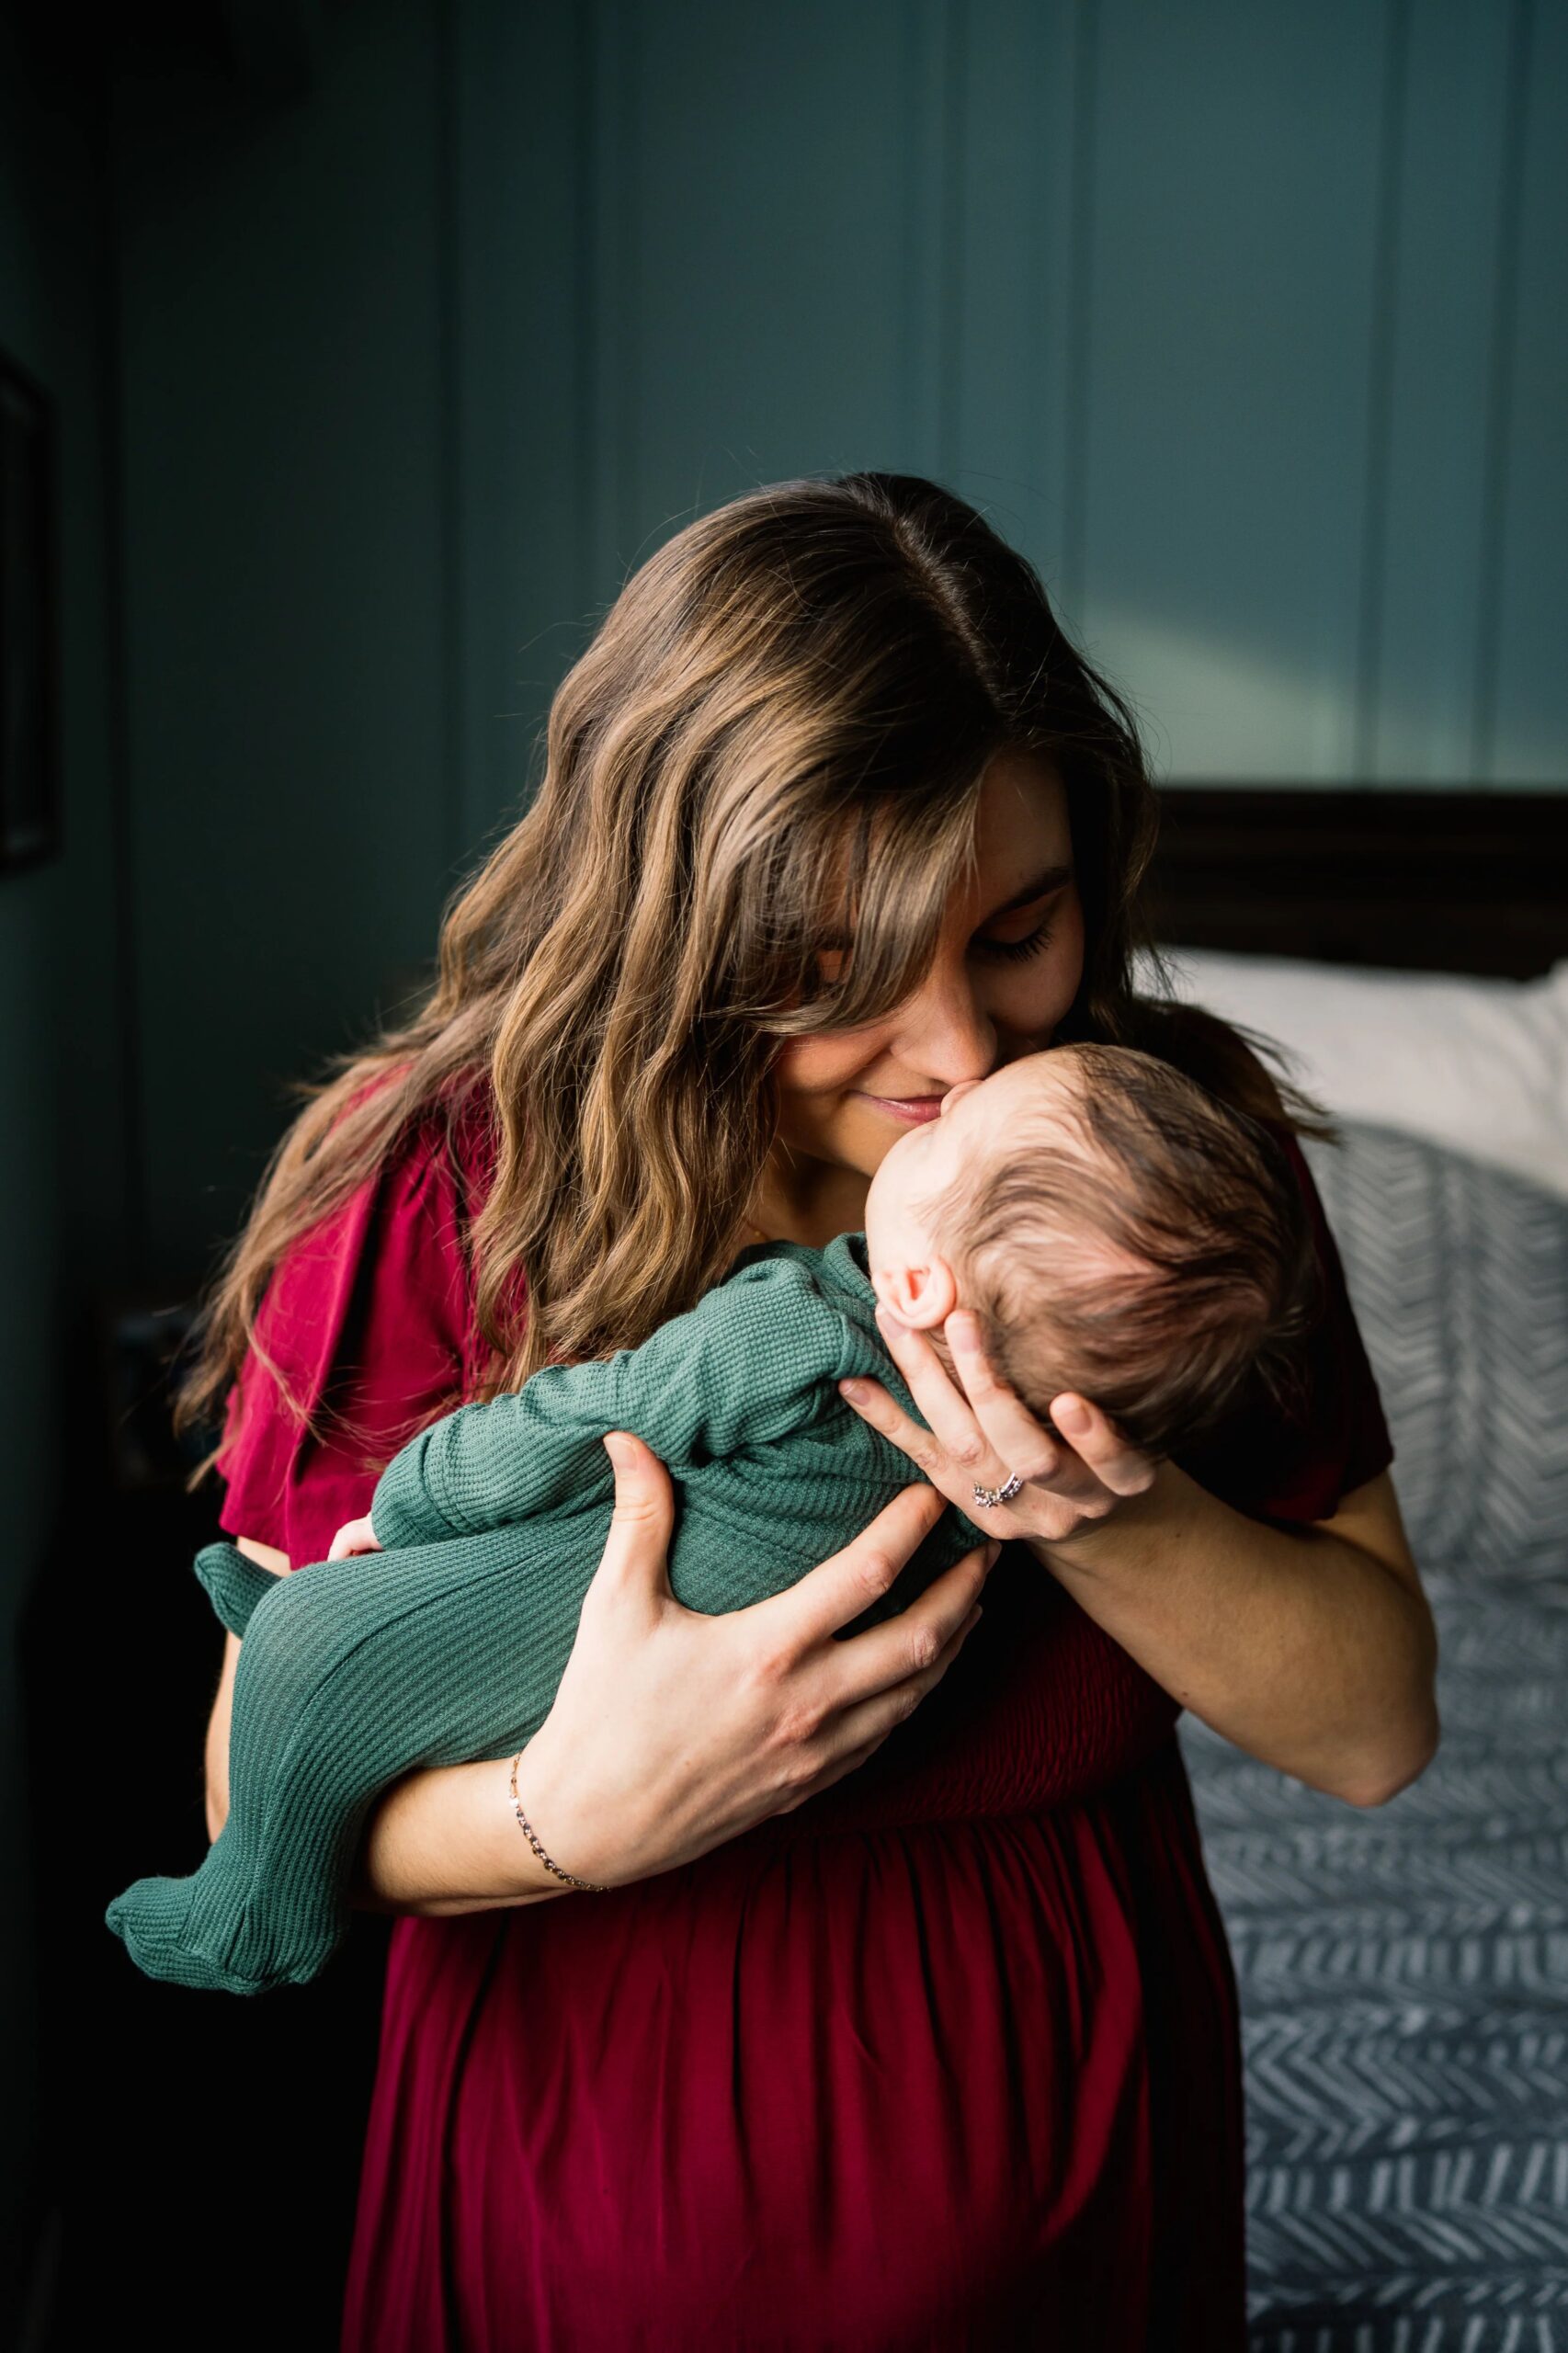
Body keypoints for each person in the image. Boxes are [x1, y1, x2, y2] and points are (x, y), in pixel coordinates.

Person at [187, 472, 1438, 2349]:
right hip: (587, 2157)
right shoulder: (445, 1184)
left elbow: (1371, 1729)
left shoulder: (1158, 1186)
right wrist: (574, 1811)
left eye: (1015, 930)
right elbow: (248, 1781)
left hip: (1075, 2139)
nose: (959, 1053)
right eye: (835, 977)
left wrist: (1094, 1497)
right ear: (676, 922)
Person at [115, 1041, 1318, 1997]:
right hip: (667, 1694)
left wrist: (418, 1499)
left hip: (576, 1653)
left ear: (915, 1288)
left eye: (959, 1132)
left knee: (306, 1646)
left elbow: (579, 1424)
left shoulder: (798, 1321)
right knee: (345, 1630)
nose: (958, 1072)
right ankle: (334, 1614)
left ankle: (249, 1907)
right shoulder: (999, 1472)